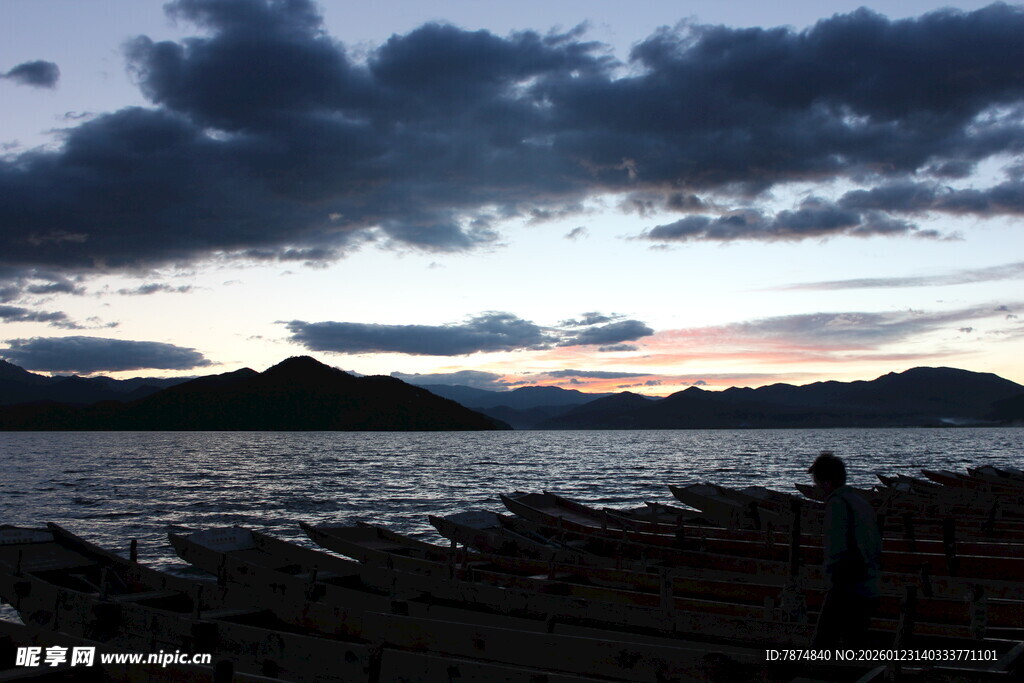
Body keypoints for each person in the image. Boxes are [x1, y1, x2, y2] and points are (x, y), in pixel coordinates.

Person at [807, 452, 881, 648]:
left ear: (826, 483)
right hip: (869, 585)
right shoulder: (860, 502)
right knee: (855, 643)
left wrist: (830, 579)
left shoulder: (837, 504)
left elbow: (836, 549)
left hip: (847, 587)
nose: (815, 487)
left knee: (821, 645)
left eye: (816, 483)